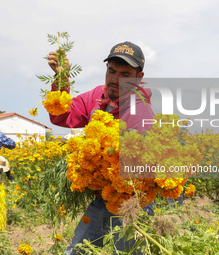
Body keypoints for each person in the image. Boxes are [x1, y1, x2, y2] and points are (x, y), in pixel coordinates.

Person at [47, 42, 155, 254]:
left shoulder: (140, 112)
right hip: (102, 198)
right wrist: (61, 79)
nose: (115, 80)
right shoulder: (97, 96)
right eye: (111, 71)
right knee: (77, 251)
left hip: (133, 203)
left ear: (138, 77)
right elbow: (61, 116)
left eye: (125, 74)